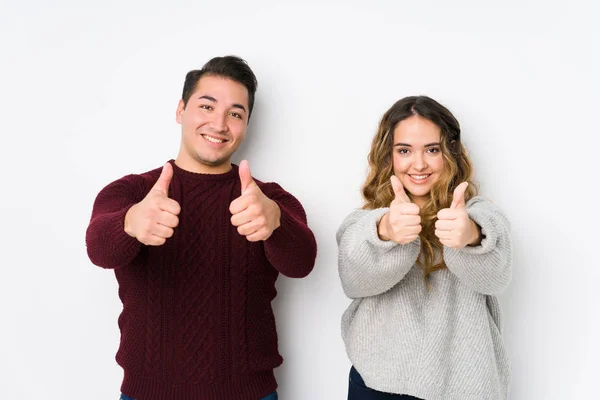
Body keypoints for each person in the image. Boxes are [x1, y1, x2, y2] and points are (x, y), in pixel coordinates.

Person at [85, 55, 317, 400]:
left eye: (235, 114)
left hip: (248, 394)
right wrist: (130, 223)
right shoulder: (131, 192)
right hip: (148, 394)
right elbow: (98, 249)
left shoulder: (267, 199)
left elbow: (303, 263)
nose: (220, 123)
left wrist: (276, 223)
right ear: (181, 110)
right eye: (207, 106)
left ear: (246, 124)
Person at [337, 95, 512, 400]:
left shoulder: (481, 214)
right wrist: (387, 231)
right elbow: (352, 280)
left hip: (462, 388)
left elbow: (497, 275)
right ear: (389, 156)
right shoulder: (366, 221)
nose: (418, 164)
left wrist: (470, 235)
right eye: (404, 150)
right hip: (379, 387)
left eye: (432, 150)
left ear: (450, 153)